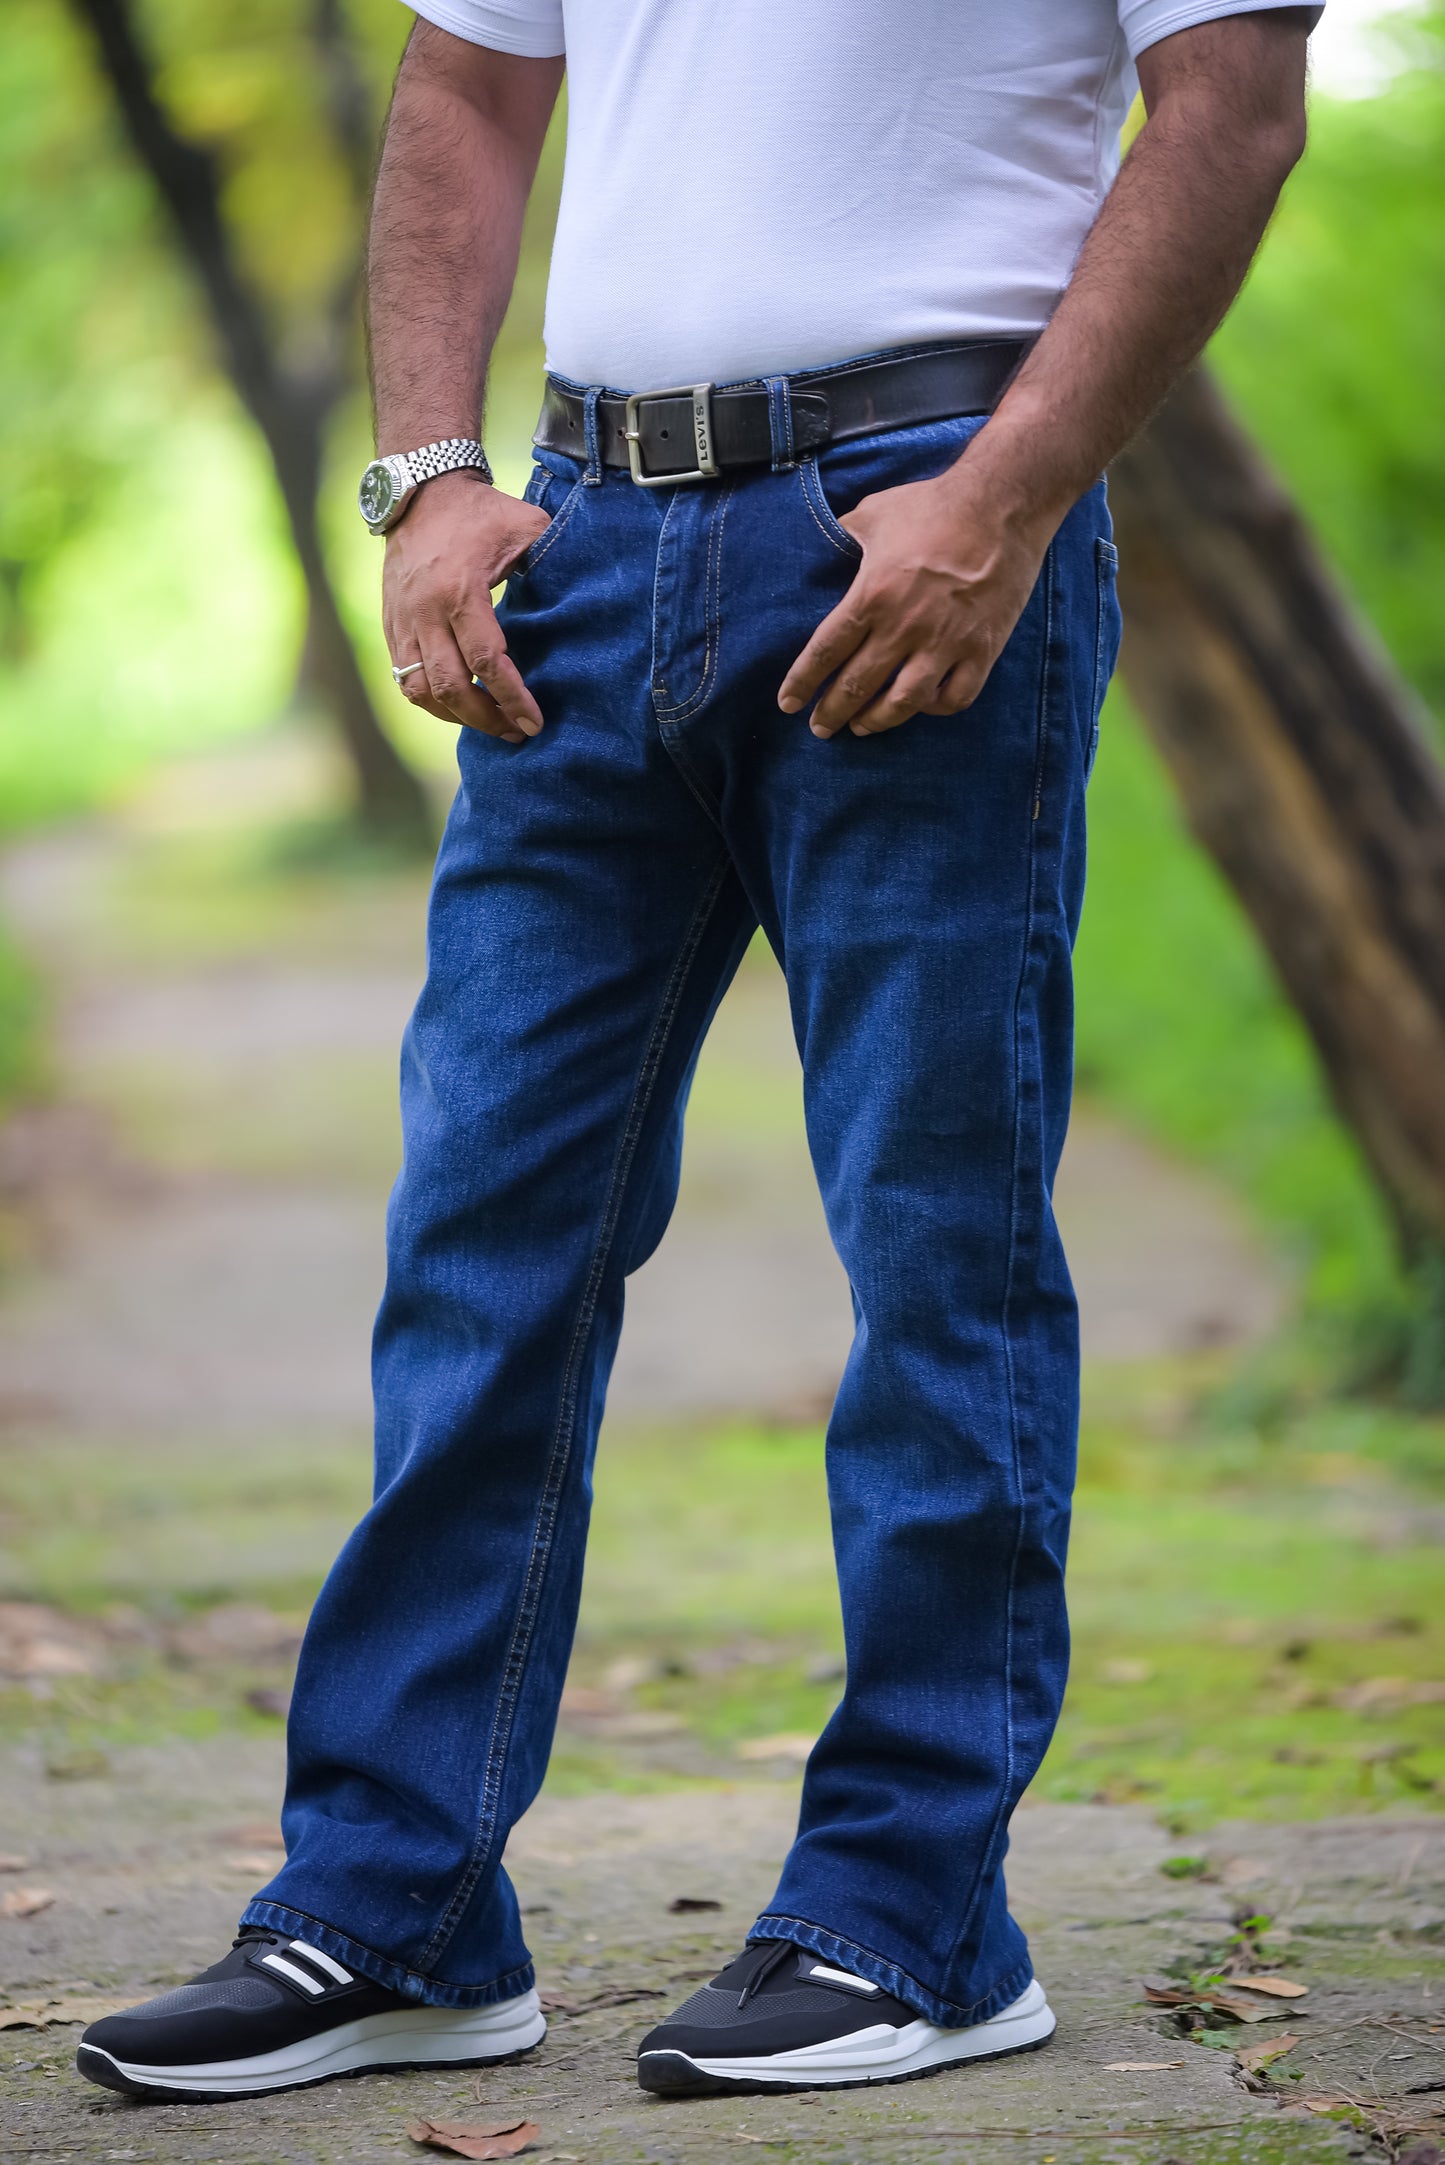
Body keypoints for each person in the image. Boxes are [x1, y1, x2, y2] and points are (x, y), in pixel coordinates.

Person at [78, 0, 1318, 2106]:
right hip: (577, 545)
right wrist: (425, 478)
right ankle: (391, 1908)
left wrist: (1009, 498)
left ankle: (910, 1914)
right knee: (479, 1240)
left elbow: (1238, 105)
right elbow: (465, 85)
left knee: (937, 1242)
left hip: (908, 523)